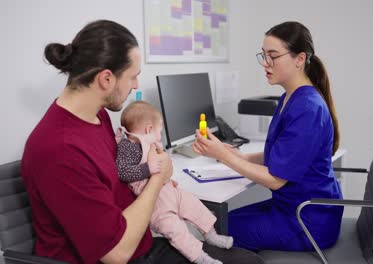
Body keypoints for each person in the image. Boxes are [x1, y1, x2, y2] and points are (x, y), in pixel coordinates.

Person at [21, 19, 264, 264]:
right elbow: (115, 254)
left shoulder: (98, 116)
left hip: (142, 242)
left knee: (248, 260)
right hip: (122, 255)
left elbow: (118, 179)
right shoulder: (60, 149)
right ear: (106, 79)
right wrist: (157, 180)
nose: (136, 85)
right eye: (133, 76)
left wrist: (158, 181)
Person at [192, 21, 343, 252]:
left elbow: (276, 179)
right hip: (290, 208)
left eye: (273, 56)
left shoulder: (307, 108)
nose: (265, 63)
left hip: (308, 220)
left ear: (299, 59)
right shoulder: (289, 98)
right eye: (263, 55)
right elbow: (280, 154)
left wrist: (224, 156)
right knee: (217, 222)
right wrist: (238, 155)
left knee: (219, 231)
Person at [115, 101, 233, 264]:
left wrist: (168, 179)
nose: (159, 137)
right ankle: (201, 257)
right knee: (176, 229)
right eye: (159, 132)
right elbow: (123, 172)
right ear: (149, 129)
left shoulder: (148, 144)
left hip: (168, 189)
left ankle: (211, 236)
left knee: (194, 204)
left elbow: (162, 166)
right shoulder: (128, 147)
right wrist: (148, 169)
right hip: (155, 202)